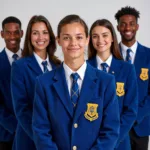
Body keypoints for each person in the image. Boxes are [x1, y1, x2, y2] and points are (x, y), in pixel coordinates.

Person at [32, 14, 120, 150]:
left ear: (87, 40)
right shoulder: (44, 83)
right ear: (59, 40)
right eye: (67, 38)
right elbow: (41, 131)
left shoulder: (106, 82)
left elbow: (111, 130)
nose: (73, 43)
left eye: (79, 37)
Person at [11, 15, 61, 150]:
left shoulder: (58, 66)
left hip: (56, 138)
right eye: (35, 33)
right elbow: (21, 109)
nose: (40, 38)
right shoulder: (19, 67)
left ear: (50, 36)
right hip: (30, 138)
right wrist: (41, 138)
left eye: (45, 33)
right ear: (29, 37)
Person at [88, 19, 138, 150]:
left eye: (104, 35)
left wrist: (111, 140)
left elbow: (131, 110)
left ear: (112, 38)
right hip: (90, 142)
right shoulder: (84, 68)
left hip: (119, 142)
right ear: (90, 40)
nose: (100, 40)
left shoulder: (127, 69)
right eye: (95, 36)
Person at [115, 6, 150, 150]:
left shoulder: (148, 55)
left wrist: (135, 116)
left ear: (137, 26)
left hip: (140, 126)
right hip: (117, 125)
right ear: (117, 27)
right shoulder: (111, 56)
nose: (127, 27)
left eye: (131, 23)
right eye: (123, 23)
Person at [0, 16, 23, 150]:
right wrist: (16, 127)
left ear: (22, 33)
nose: (12, 36)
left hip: (31, 132)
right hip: (6, 134)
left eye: (16, 32)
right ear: (2, 34)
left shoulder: (32, 60)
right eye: (8, 32)